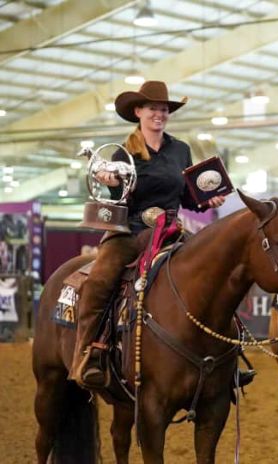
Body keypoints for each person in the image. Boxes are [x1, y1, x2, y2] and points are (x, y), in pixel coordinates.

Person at [71, 81, 226, 388]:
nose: (159, 114)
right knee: (99, 281)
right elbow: (118, 196)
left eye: (164, 109)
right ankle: (88, 354)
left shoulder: (180, 150)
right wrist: (110, 183)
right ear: (138, 112)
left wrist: (205, 201)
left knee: (215, 273)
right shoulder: (123, 152)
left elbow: (186, 197)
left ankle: (225, 357)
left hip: (171, 231)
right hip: (130, 232)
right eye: (153, 108)